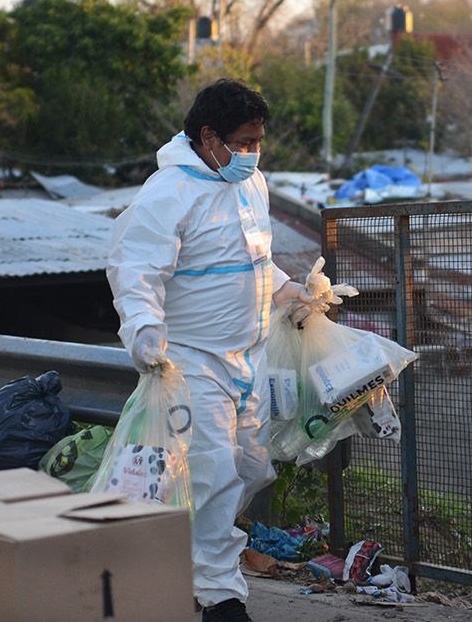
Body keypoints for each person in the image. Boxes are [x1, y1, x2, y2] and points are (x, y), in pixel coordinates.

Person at [107, 79, 348, 622]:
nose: (252, 153)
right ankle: (220, 596)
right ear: (208, 136)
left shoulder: (250, 184)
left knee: (252, 466)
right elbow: (135, 269)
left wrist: (291, 291)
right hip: (192, 357)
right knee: (214, 471)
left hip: (249, 354)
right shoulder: (167, 194)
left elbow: (256, 261)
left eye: (258, 142)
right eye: (242, 142)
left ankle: (180, 558)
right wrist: (144, 331)